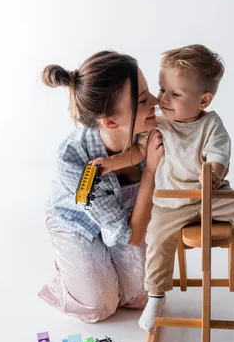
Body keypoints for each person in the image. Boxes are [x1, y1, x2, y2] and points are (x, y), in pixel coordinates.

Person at [92, 44, 234, 333]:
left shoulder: (211, 124)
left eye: (175, 94)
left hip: (210, 196)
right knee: (156, 238)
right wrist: (111, 163)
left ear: (203, 100)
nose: (162, 99)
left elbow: (219, 156)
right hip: (171, 203)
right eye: (162, 90)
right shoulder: (158, 124)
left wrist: (213, 175)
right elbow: (138, 153)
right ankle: (155, 295)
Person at [38, 50, 163, 323]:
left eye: (149, 92)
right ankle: (70, 275)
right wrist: (151, 171)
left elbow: (130, 231)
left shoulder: (150, 131)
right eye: (143, 100)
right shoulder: (72, 158)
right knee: (100, 306)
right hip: (76, 223)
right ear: (110, 121)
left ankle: (101, 266)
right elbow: (131, 236)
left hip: (125, 216)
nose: (156, 101)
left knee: (141, 297)